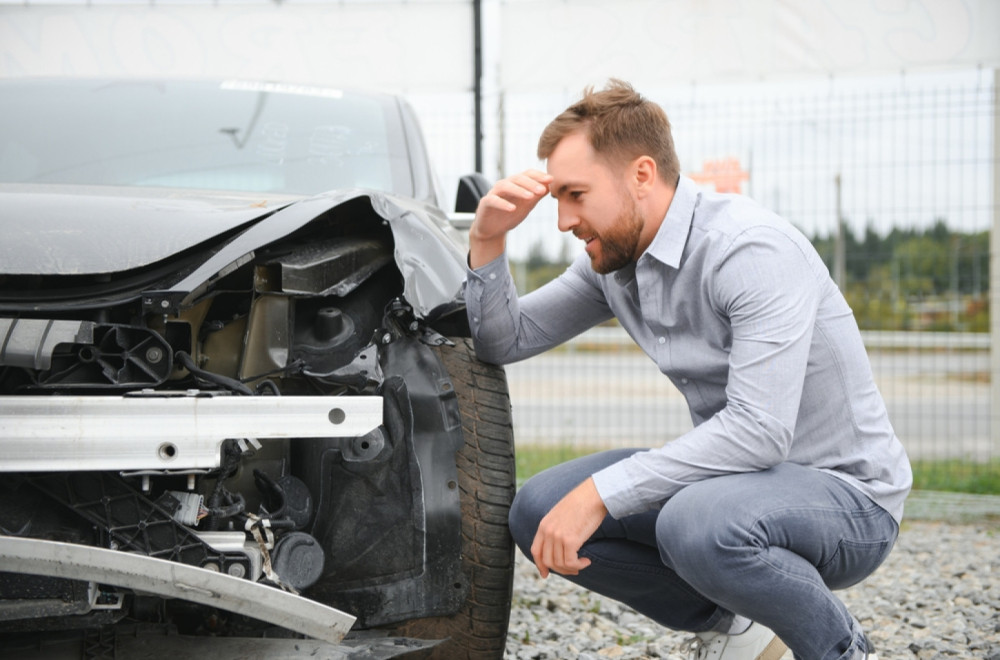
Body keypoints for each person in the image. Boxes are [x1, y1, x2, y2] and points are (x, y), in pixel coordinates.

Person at [463, 80, 911, 660]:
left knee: (693, 523)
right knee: (539, 509)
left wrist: (601, 493)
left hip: (849, 499)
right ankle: (742, 628)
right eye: (557, 199)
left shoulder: (749, 251)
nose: (563, 220)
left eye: (575, 194)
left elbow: (758, 431)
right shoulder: (613, 263)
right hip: (735, 485)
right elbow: (505, 340)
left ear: (642, 175)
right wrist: (487, 239)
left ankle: (842, 649)